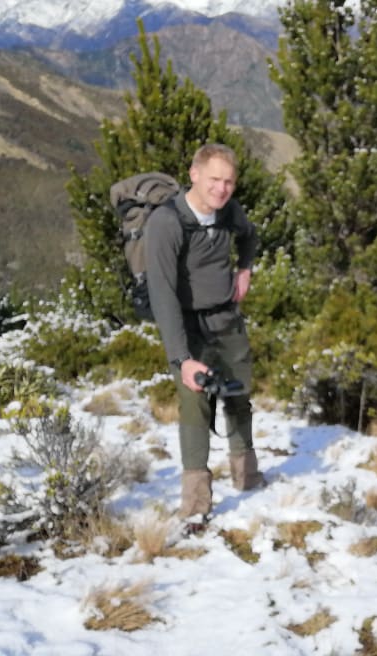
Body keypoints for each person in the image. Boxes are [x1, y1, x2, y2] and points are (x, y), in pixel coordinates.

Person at [145, 143, 265, 525]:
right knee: (196, 405)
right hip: (188, 326)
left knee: (238, 395)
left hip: (226, 320)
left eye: (229, 181)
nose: (222, 188)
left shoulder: (229, 211)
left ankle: (248, 477)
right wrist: (181, 359)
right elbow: (162, 295)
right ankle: (196, 505)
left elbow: (249, 235)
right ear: (194, 175)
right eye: (214, 179)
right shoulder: (167, 223)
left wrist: (244, 269)